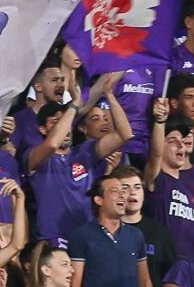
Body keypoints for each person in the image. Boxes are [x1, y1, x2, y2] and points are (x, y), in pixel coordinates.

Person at [27, 76, 132, 246]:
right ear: (42, 129)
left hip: (86, 238)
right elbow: (52, 144)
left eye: (66, 122)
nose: (65, 128)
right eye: (56, 122)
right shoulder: (34, 157)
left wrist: (109, 95)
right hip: (52, 240)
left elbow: (124, 134)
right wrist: (75, 104)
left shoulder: (85, 152)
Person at [145, 102, 194, 260]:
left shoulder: (187, 189)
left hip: (191, 262)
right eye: (172, 141)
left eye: (182, 140)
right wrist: (160, 122)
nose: (180, 145)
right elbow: (155, 154)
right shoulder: (158, 180)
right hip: (164, 260)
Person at [67, 175, 150, 286]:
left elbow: (145, 281)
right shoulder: (81, 235)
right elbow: (75, 283)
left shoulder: (135, 235)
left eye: (123, 191)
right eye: (115, 191)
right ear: (99, 200)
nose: (122, 195)